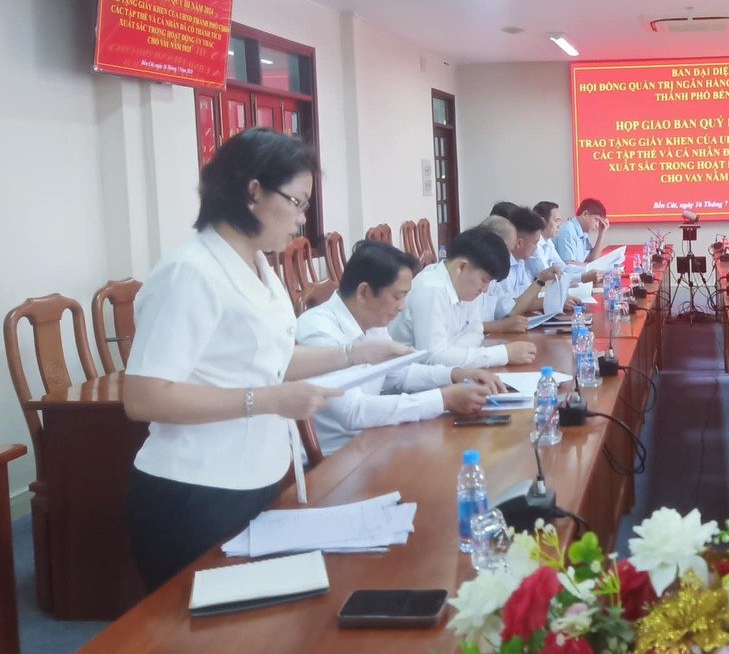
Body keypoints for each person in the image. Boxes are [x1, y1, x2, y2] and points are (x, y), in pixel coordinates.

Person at [122, 128, 409, 590]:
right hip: (194, 491)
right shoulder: (189, 271)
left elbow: (272, 361)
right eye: (297, 202)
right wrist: (270, 400)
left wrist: (353, 353)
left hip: (258, 476)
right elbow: (145, 397)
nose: (302, 219)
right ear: (253, 192)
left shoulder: (257, 265)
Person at [296, 240, 501, 455]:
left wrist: (454, 374)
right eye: (397, 296)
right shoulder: (318, 330)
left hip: (375, 439)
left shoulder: (372, 320)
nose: (402, 307)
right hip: (338, 457)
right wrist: (444, 399)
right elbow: (354, 411)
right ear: (364, 292)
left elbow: (398, 375)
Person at [389, 226, 537, 368]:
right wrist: (502, 354)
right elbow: (433, 358)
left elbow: (476, 332)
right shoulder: (431, 289)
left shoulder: (463, 285)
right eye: (484, 280)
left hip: (444, 374)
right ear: (462, 266)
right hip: (407, 380)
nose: (485, 289)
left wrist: (450, 352)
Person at [486, 206, 562, 320]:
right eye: (535, 243)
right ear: (519, 243)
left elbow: (527, 298)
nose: (536, 248)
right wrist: (555, 300)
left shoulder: (520, 261)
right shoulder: (502, 267)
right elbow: (510, 310)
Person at [529, 200, 598, 283]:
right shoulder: (534, 245)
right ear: (542, 222)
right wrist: (583, 277)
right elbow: (548, 277)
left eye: (560, 221)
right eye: (556, 220)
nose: (559, 225)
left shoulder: (548, 242)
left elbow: (562, 267)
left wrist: (590, 271)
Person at [554, 197, 610, 263]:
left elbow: (592, 260)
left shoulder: (583, 232)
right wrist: (591, 266)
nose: (597, 225)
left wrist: (601, 234)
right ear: (585, 214)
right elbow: (568, 264)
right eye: (596, 220)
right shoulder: (568, 231)